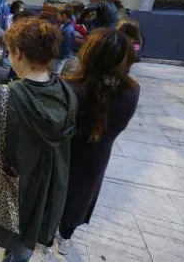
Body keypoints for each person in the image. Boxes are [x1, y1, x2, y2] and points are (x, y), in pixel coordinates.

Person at [0, 17, 77, 262]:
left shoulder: (1, 96)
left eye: (9, 52)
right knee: (22, 247)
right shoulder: (67, 94)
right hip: (39, 193)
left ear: (18, 53)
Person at [56, 28, 140, 256]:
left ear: (87, 53)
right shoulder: (132, 91)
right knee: (79, 197)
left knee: (54, 195)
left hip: (63, 154)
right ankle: (65, 237)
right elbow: (119, 125)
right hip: (96, 158)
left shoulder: (70, 86)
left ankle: (44, 237)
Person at [50, 6, 75, 75]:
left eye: (58, 15)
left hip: (59, 57)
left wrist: (55, 55)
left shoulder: (66, 31)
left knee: (55, 74)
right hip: (65, 54)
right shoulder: (70, 21)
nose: (57, 16)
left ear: (64, 16)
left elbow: (64, 49)